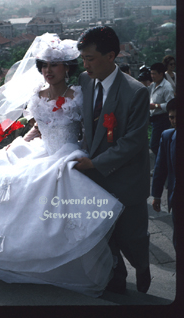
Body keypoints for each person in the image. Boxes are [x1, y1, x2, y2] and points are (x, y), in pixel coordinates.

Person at [0, 33, 123, 298]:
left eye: (54, 65)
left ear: (67, 67)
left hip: (67, 152)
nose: (47, 70)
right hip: (42, 152)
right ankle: (16, 260)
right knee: (7, 174)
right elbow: (37, 128)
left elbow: (89, 128)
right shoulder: (36, 96)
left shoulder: (79, 94)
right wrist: (19, 142)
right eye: (44, 65)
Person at [74, 26, 151, 294]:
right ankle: (116, 274)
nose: (86, 65)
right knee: (103, 235)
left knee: (132, 236)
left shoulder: (135, 92)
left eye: (91, 58)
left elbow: (133, 141)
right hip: (93, 180)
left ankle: (142, 266)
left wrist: (95, 163)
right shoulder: (85, 80)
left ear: (111, 56)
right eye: (83, 59)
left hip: (125, 179)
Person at [151, 98, 176, 250]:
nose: (175, 121)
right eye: (172, 117)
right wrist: (156, 195)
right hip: (177, 197)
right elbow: (160, 168)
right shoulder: (167, 137)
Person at [149, 62, 174, 156]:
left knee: (154, 145)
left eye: (154, 74)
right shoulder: (153, 85)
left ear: (161, 74)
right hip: (154, 119)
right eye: (151, 73)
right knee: (159, 144)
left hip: (162, 119)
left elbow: (171, 105)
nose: (152, 76)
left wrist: (156, 106)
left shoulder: (167, 87)